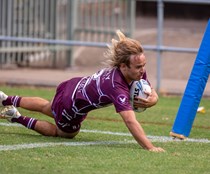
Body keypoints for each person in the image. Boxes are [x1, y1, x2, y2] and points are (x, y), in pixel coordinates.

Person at [0, 30, 165, 152]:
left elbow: (149, 89)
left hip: (71, 85)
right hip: (71, 104)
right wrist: (150, 147)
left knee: (47, 107)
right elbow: (130, 121)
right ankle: (16, 117)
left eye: (144, 65)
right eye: (138, 67)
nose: (142, 70)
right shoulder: (116, 87)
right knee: (65, 133)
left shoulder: (133, 71)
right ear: (123, 66)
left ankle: (6, 99)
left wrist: (154, 99)